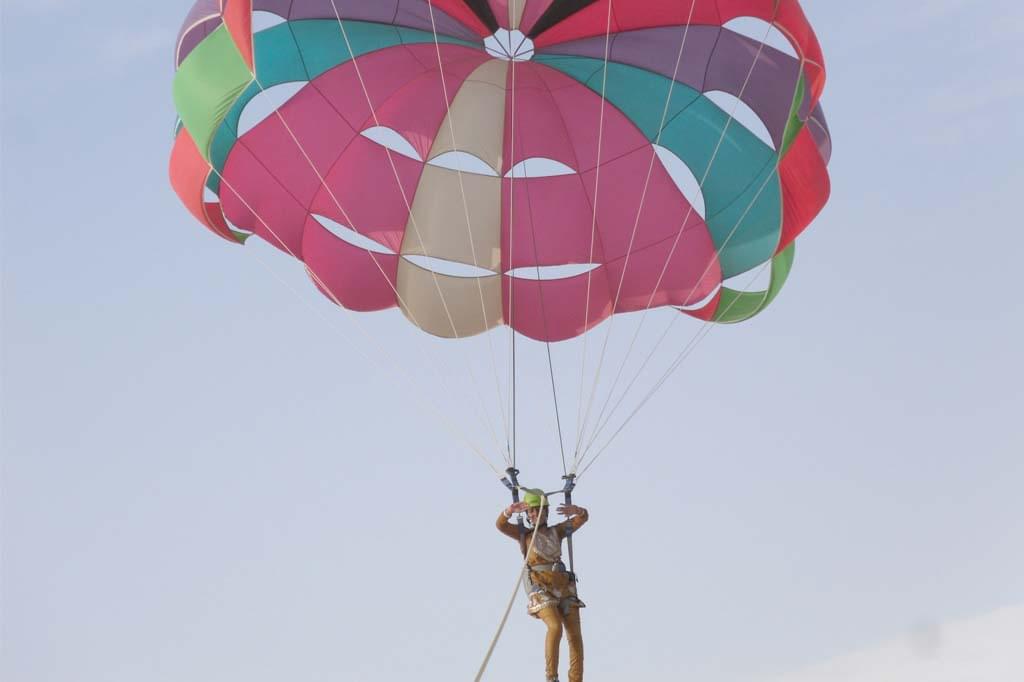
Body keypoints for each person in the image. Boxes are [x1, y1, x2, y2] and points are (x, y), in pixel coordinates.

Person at [497, 489, 589, 682]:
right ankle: (551, 677)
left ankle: (576, 679)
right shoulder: (524, 535)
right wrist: (509, 511)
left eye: (539, 510)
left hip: (563, 587)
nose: (535, 514)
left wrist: (578, 510)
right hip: (541, 588)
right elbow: (501, 525)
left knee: (575, 637)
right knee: (555, 627)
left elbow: (582, 519)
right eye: (531, 511)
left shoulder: (557, 531)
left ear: (546, 512)